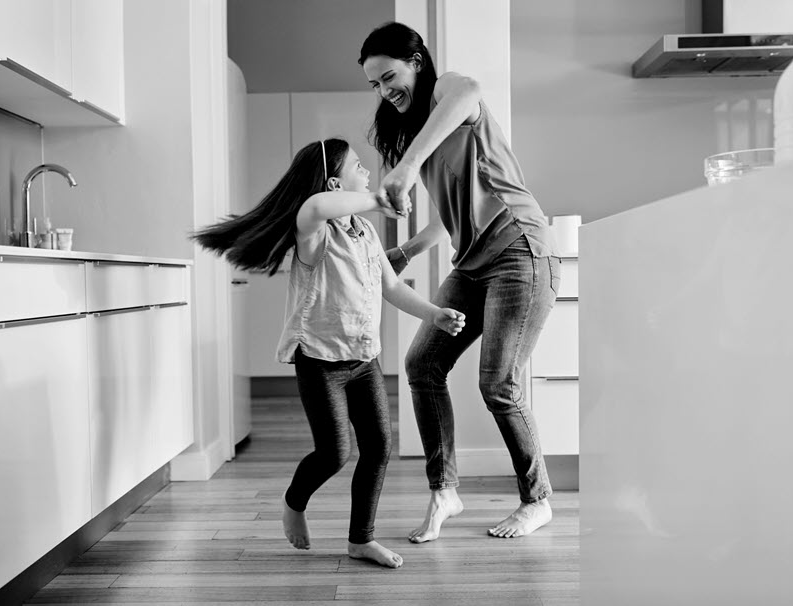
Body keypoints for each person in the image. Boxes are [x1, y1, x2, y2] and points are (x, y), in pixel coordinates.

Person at [192, 137, 466, 568]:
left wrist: (434, 315)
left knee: (377, 447)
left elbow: (391, 287)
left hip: (363, 359)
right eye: (360, 167)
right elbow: (315, 207)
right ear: (336, 184)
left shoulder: (366, 232)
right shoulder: (315, 234)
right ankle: (294, 502)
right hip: (320, 361)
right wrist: (379, 198)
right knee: (335, 452)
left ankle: (361, 540)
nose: (369, 173)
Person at [359, 22, 563, 543]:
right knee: (422, 363)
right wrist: (405, 249)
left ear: (417, 62)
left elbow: (470, 91)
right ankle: (444, 490)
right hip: (473, 260)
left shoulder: (450, 90)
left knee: (499, 382)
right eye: (376, 85)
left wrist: (405, 168)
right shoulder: (417, 129)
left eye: (390, 77)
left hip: (519, 248)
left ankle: (537, 499)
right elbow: (449, 214)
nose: (386, 91)